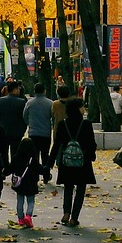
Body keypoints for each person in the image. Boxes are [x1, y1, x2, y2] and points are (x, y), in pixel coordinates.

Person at [49, 96, 97, 227]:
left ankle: (66, 213)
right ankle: (74, 217)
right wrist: (92, 155)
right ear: (78, 109)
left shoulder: (63, 124)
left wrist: (49, 163)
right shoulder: (86, 124)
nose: (84, 109)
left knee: (68, 188)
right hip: (83, 161)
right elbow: (92, 143)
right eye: (82, 107)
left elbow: (57, 145)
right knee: (80, 189)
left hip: (67, 161)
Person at [6, 137, 44, 229]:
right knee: (30, 201)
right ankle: (28, 216)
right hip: (31, 183)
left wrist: (4, 172)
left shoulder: (16, 158)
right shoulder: (33, 160)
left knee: (20, 201)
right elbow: (40, 169)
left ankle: (20, 219)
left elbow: (10, 168)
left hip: (20, 184)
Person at [23, 83, 54, 171]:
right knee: (45, 154)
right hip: (46, 133)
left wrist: (29, 123)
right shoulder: (50, 103)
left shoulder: (29, 103)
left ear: (34, 91)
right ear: (44, 91)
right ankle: (46, 173)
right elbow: (52, 116)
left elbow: (25, 116)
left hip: (33, 133)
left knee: (34, 155)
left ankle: (34, 174)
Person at [0, 81, 28, 166]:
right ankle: (14, 169)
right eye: (18, 89)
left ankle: (4, 168)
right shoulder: (21, 102)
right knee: (15, 152)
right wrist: (23, 128)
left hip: (3, 130)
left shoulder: (1, 101)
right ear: (15, 89)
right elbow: (24, 117)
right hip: (17, 131)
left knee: (3, 151)